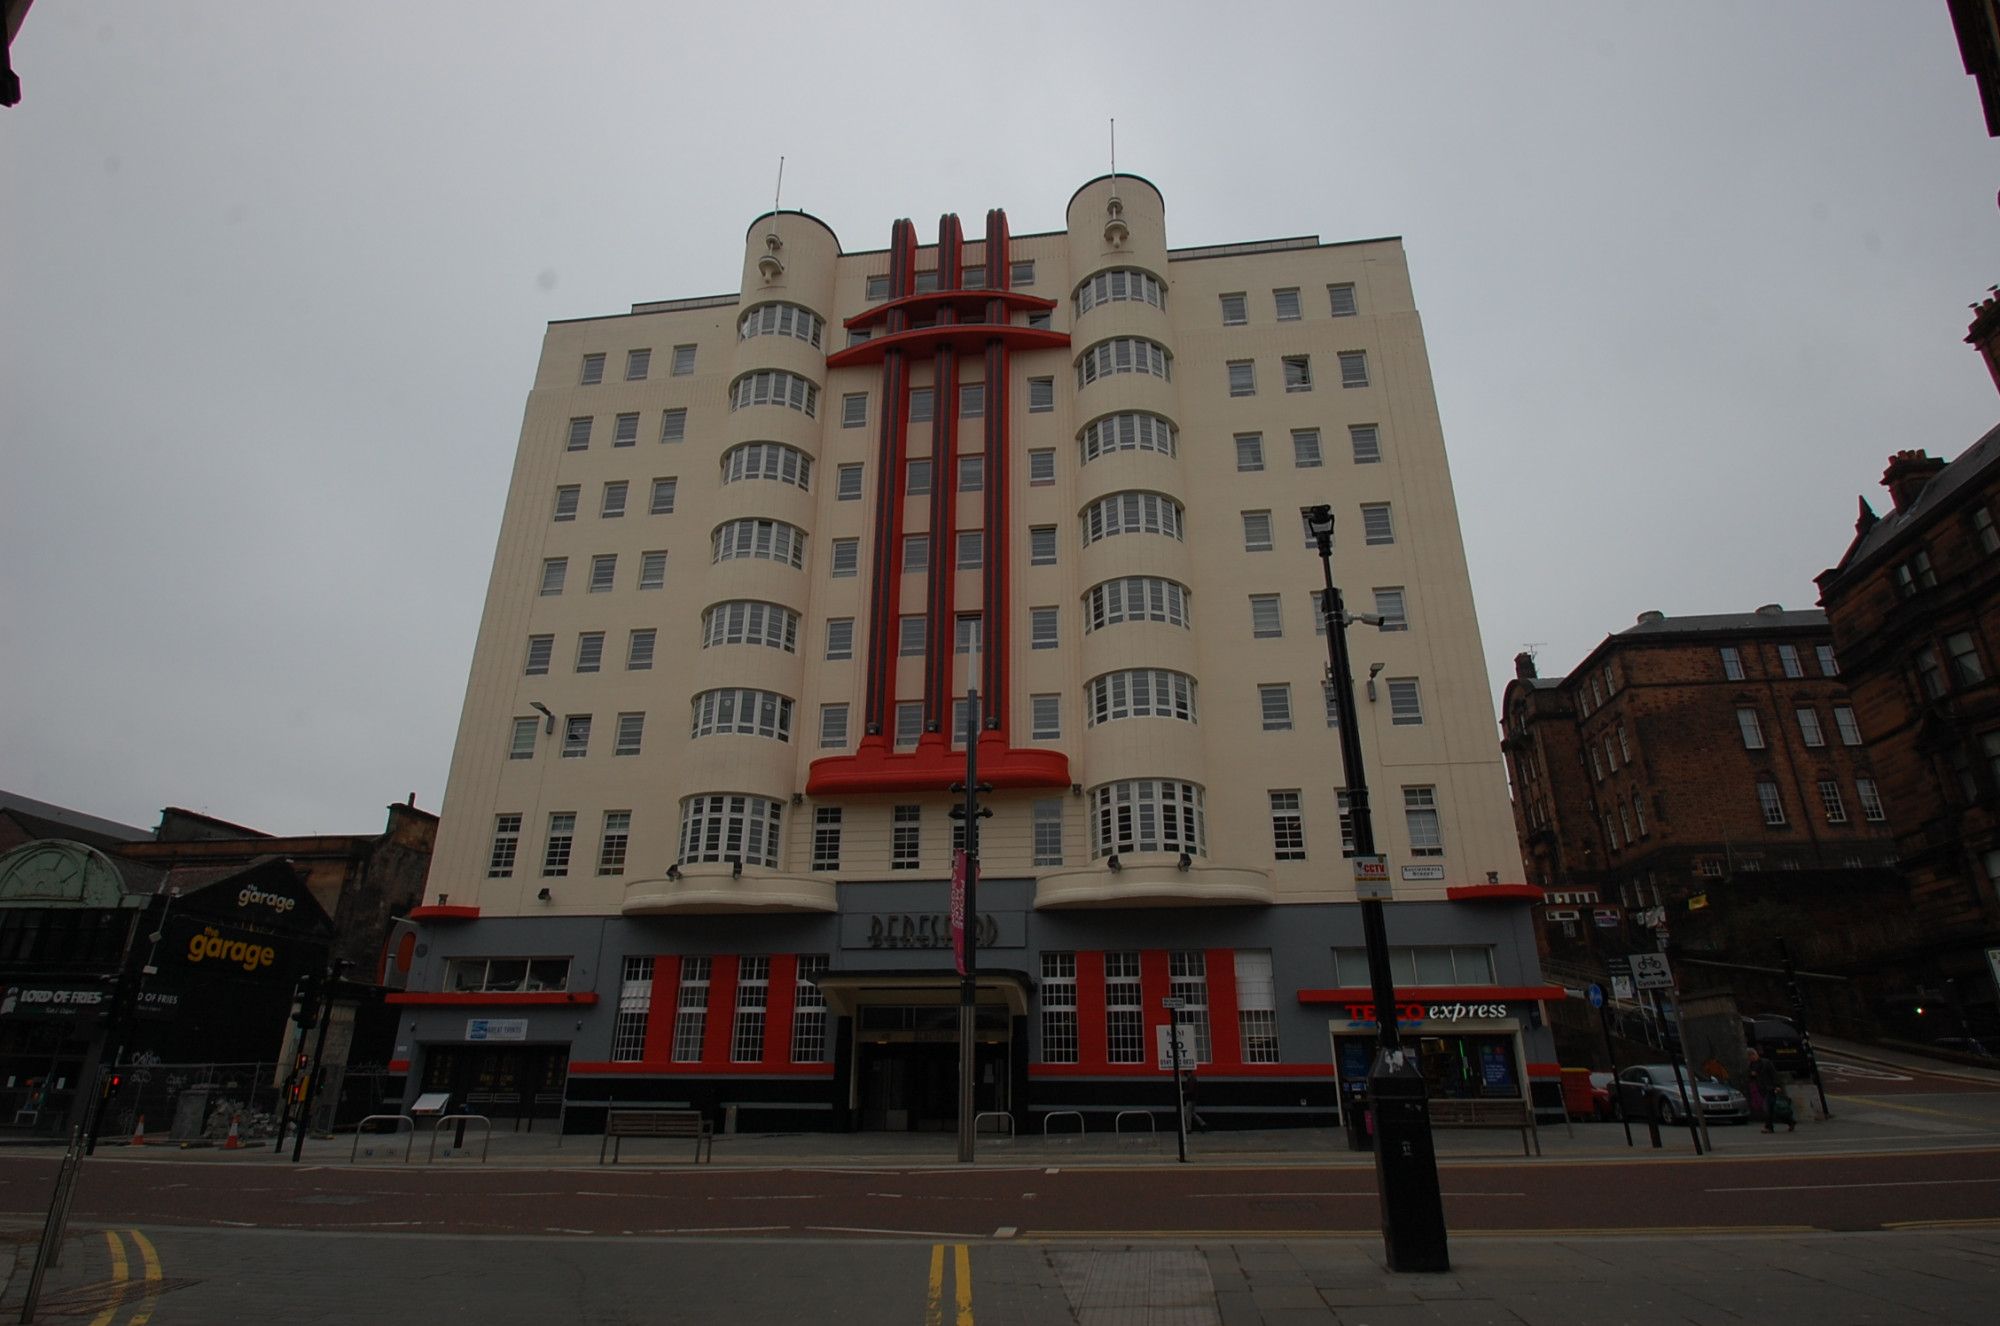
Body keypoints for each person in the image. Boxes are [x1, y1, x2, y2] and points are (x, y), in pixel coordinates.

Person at [1748, 1048, 1780, 1132]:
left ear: (1755, 1054)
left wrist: (1777, 1085)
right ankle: (1790, 1122)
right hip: (1761, 1089)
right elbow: (1751, 1077)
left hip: (1770, 1088)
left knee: (1768, 1108)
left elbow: (1773, 1074)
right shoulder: (1752, 1065)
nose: (1751, 1058)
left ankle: (1768, 1127)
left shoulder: (1766, 1062)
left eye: (1751, 1056)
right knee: (1771, 1109)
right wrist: (1752, 1075)